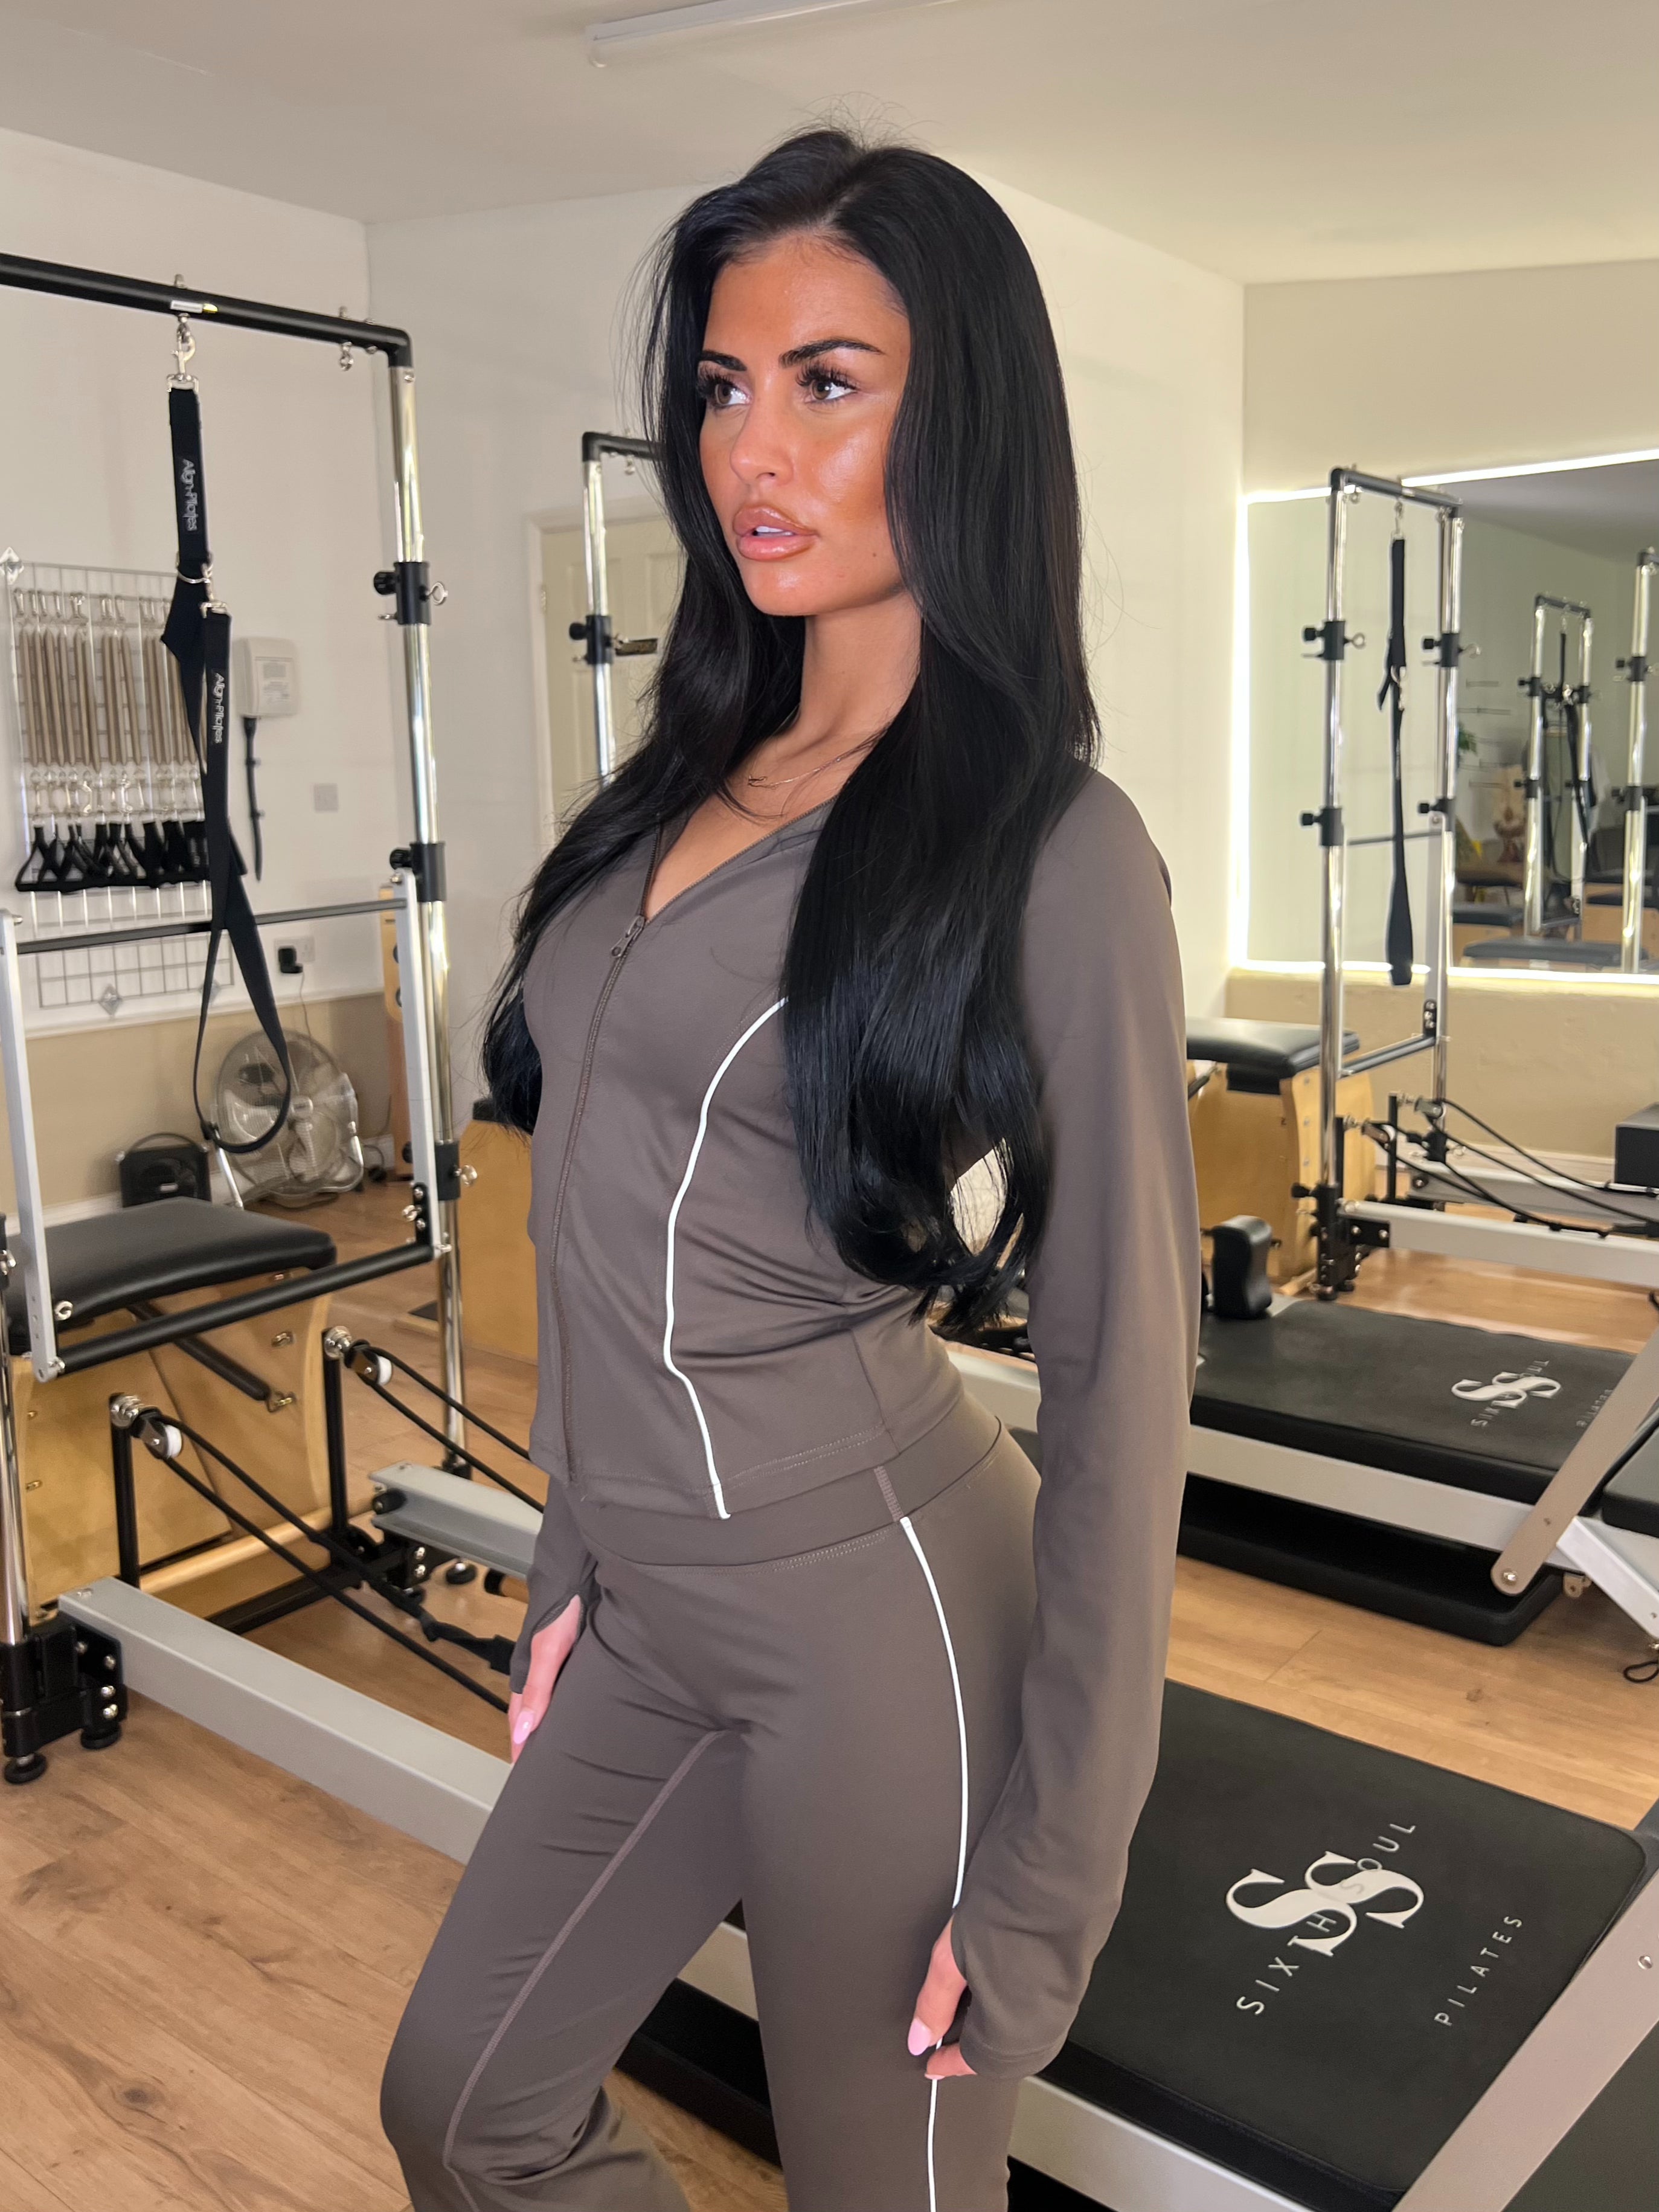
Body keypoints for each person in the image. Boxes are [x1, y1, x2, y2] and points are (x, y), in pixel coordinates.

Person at [380, 126, 1199, 2212]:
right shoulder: (680, 784)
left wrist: (1054, 1869)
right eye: (724, 387)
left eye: (829, 383)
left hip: (882, 1620)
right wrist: (575, 1550)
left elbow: (1126, 1382)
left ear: (963, 417)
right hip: (650, 1595)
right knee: (466, 2108)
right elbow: (599, 1213)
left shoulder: (1054, 852)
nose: (753, 449)